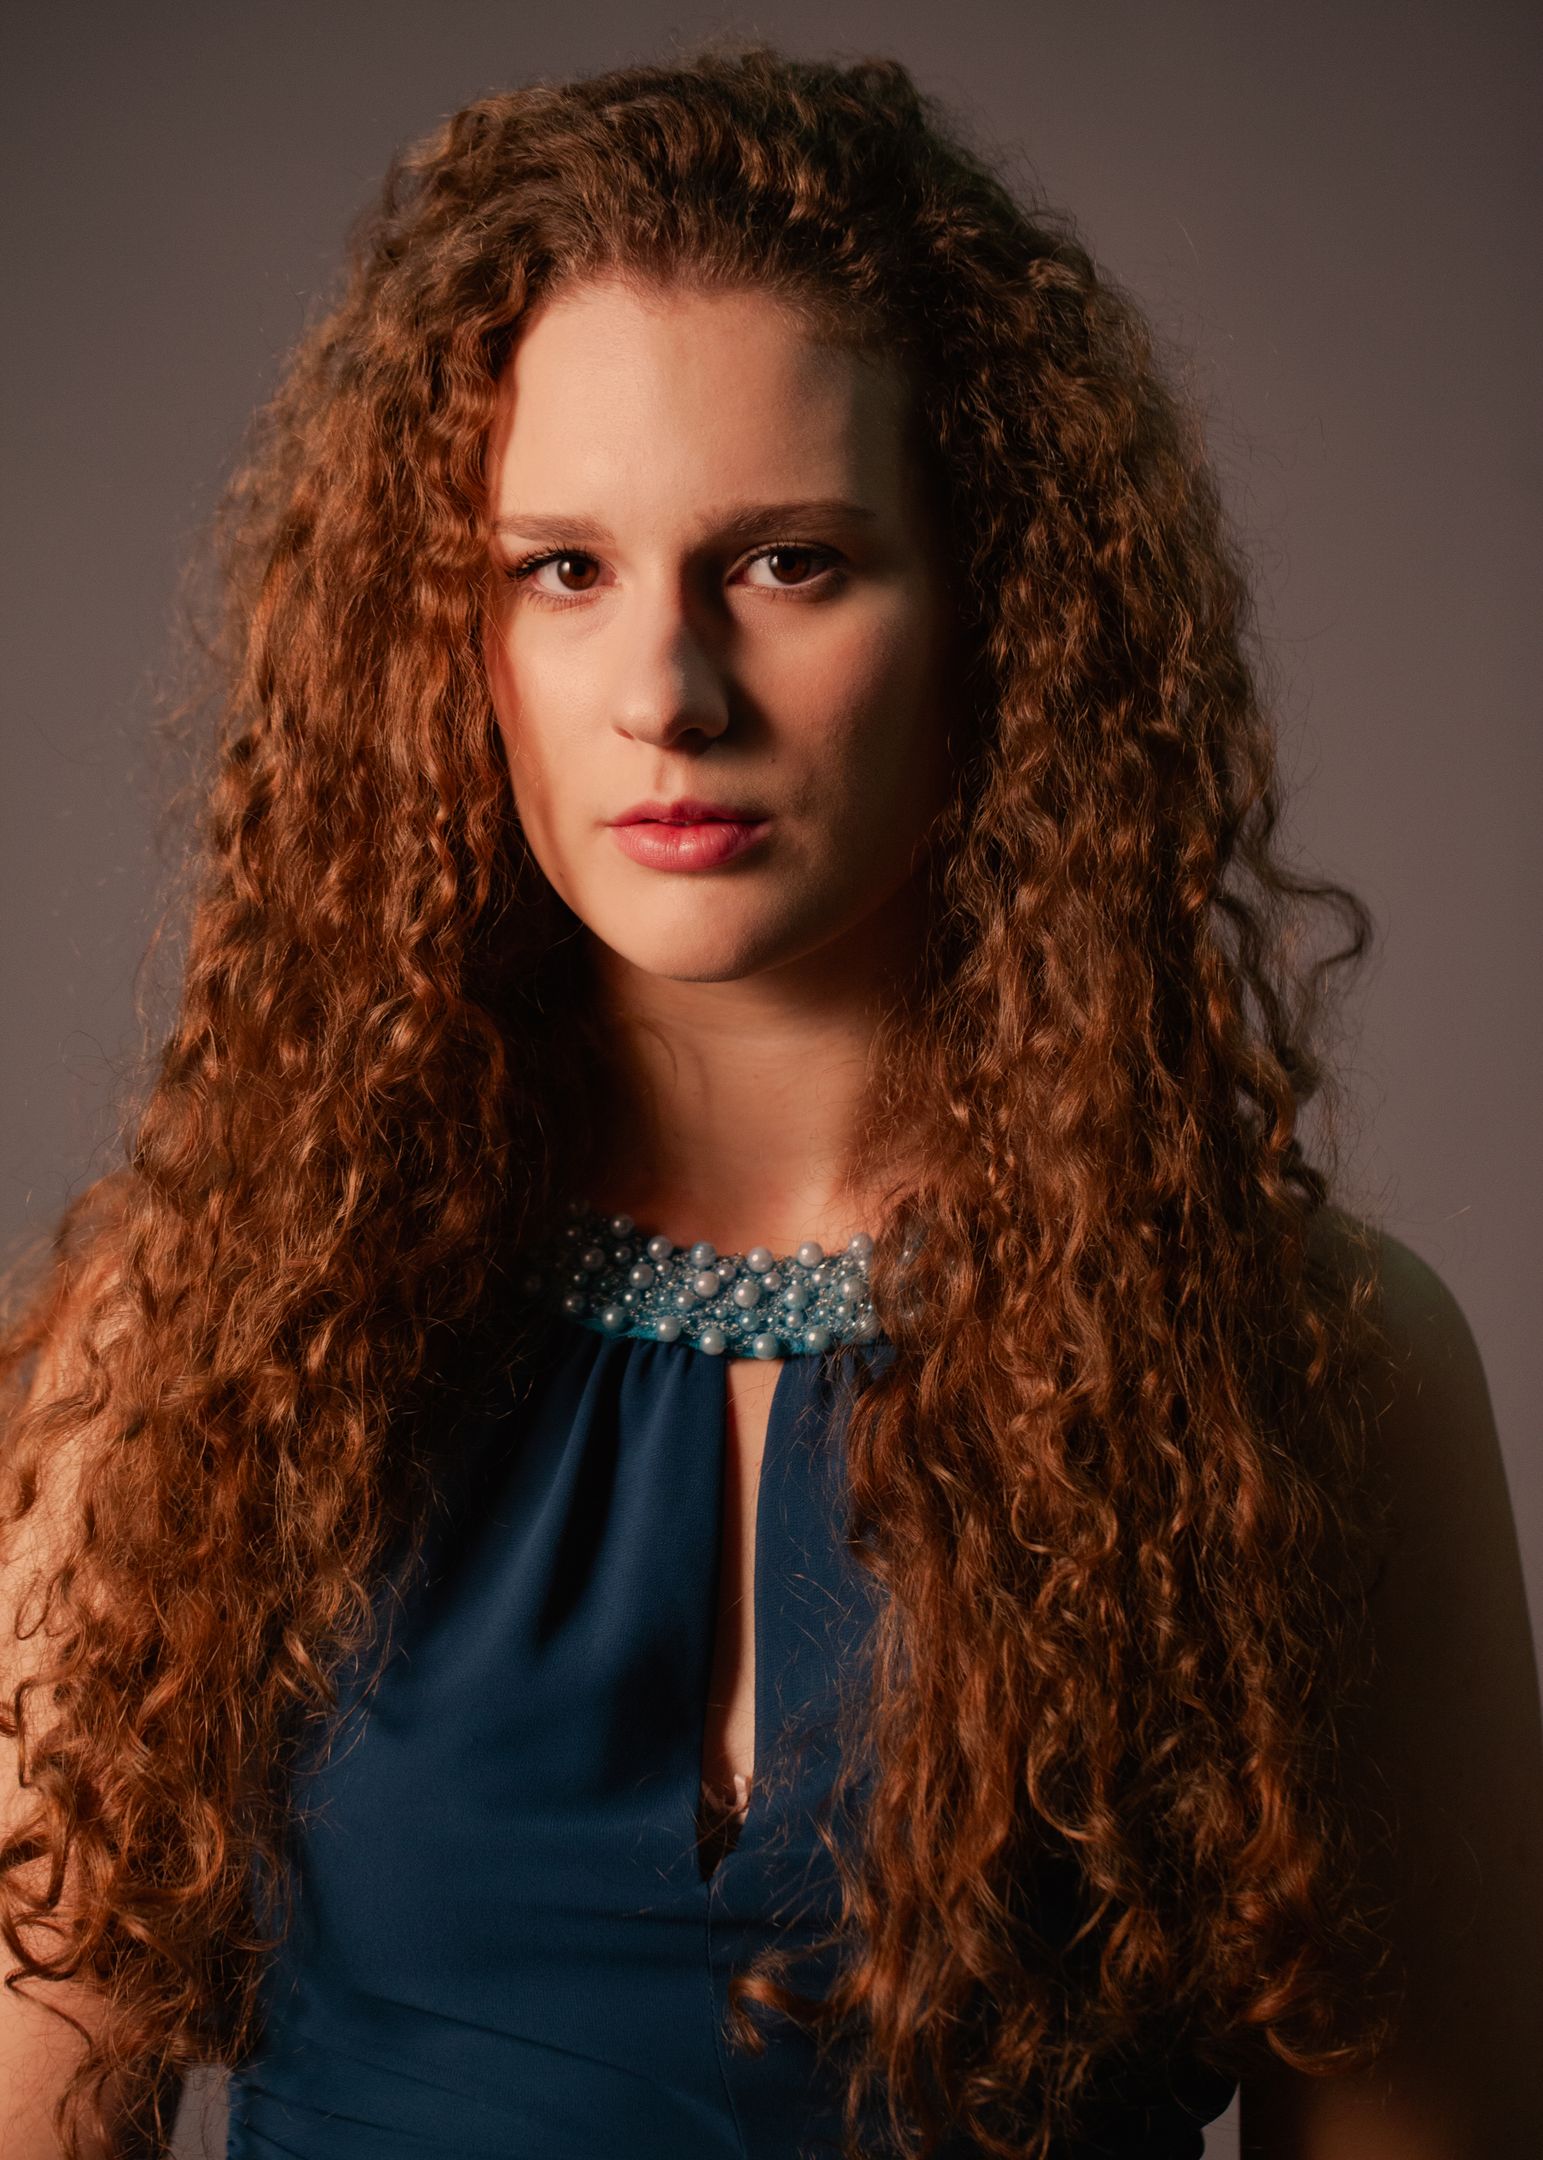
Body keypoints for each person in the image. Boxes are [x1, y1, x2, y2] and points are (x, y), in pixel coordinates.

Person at [1, 38, 1537, 2160]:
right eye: (562, 570)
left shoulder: (1311, 1368)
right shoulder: (198, 1345)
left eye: (789, 561)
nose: (668, 691)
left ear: (999, 607)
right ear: (442, 636)